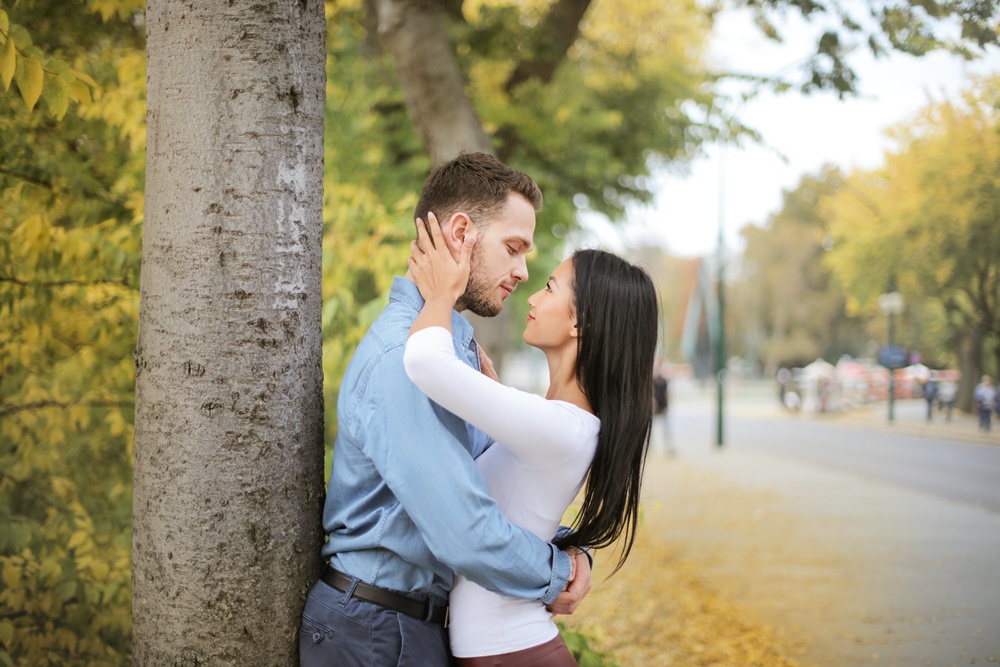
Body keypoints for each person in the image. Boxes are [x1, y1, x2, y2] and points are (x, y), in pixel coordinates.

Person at [299, 153, 592, 666]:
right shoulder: (404, 360)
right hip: (376, 629)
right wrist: (555, 573)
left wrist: (571, 548)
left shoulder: (451, 346)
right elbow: (467, 531)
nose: (523, 271)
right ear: (461, 232)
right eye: (514, 248)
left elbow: (490, 487)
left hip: (404, 623)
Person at [403, 216, 658, 666]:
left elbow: (425, 361)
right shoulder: (562, 424)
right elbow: (517, 515)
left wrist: (442, 295)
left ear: (583, 324)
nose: (533, 296)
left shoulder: (560, 427)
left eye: (551, 288)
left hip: (512, 652)